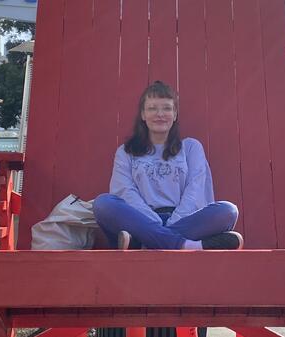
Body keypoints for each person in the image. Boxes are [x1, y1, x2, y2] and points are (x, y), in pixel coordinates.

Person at [93, 81, 243, 250]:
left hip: (183, 220)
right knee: (103, 204)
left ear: (175, 114)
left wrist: (172, 221)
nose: (160, 114)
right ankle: (187, 245)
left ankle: (144, 242)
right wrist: (151, 222)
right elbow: (124, 191)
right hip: (140, 220)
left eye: (166, 108)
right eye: (152, 108)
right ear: (143, 114)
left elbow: (196, 188)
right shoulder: (126, 152)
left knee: (228, 211)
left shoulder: (191, 147)